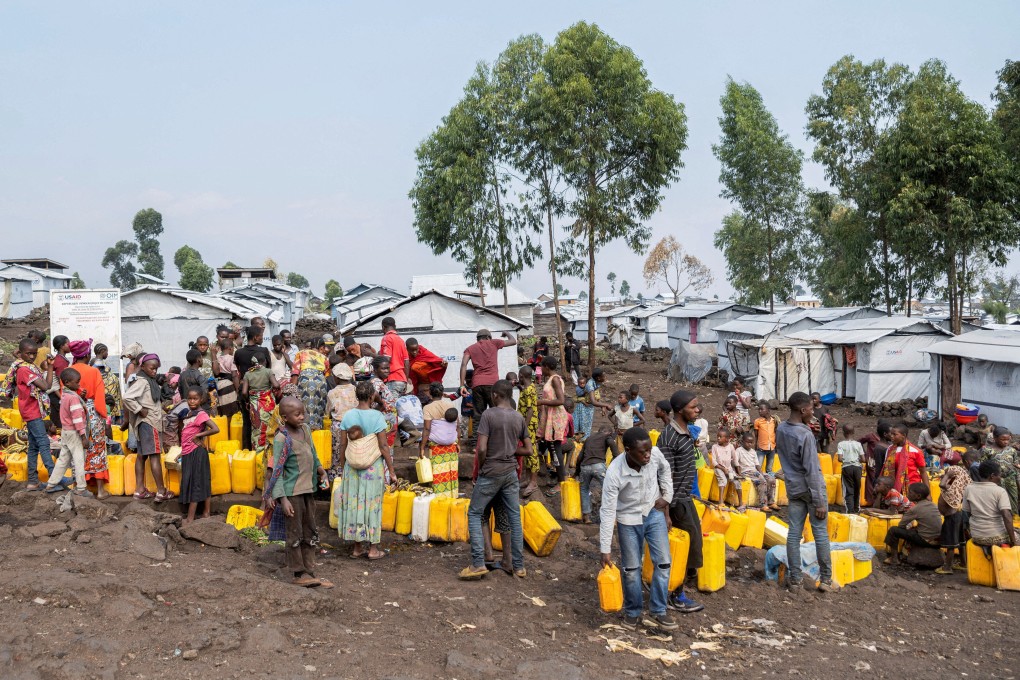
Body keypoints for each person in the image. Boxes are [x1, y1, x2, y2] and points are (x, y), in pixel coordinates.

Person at [599, 427, 677, 630]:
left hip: (653, 513)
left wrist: (667, 496)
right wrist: (605, 548)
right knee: (632, 569)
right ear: (627, 450)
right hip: (628, 519)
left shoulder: (654, 455)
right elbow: (608, 511)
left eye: (649, 450)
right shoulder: (615, 472)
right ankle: (632, 612)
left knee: (663, 563)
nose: (648, 455)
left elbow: (666, 469)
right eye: (643, 452)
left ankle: (659, 610)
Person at [460, 380, 529, 581]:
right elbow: (528, 449)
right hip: (510, 473)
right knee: (514, 518)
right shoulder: (518, 417)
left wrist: (482, 467)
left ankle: (478, 563)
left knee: (474, 513)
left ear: (496, 395)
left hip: (491, 470)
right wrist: (508, 451)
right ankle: (519, 566)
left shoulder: (488, 415)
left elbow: (481, 448)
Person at [263, 397, 334, 588]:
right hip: (292, 493)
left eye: (303, 413)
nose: (302, 417)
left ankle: (310, 571)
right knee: (295, 532)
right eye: (297, 414)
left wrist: (321, 471)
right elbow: (277, 470)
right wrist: (282, 499)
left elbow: (313, 454)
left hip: (308, 490)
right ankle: (298, 572)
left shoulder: (306, 430)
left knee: (310, 530)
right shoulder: (281, 439)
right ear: (285, 417)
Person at [777, 391, 837, 592]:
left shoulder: (782, 429)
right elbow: (812, 469)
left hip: (793, 488)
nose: (814, 411)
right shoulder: (805, 435)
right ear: (803, 410)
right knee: (820, 533)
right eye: (811, 408)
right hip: (811, 489)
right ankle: (827, 580)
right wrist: (819, 500)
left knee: (794, 534)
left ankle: (795, 580)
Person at [336, 382, 397, 561]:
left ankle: (356, 548)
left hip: (352, 467)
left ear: (357, 396)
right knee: (372, 504)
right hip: (373, 468)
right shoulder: (377, 416)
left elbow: (343, 445)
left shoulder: (348, 416)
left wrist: (342, 467)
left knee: (355, 504)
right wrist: (391, 471)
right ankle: (373, 549)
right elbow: (384, 446)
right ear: (371, 396)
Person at [656, 390, 704, 613]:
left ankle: (677, 588)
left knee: (693, 545)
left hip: (686, 498)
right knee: (681, 549)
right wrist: (665, 513)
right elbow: (663, 476)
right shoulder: (668, 437)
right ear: (679, 410)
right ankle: (674, 594)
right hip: (674, 503)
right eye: (693, 407)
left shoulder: (685, 433)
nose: (698, 410)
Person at [3, 339, 56, 491]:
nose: (32, 357)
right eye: (29, 354)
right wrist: (50, 368)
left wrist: (51, 366)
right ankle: (54, 478)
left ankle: (32, 481)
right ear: (21, 354)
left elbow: (48, 385)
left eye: (34, 354)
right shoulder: (25, 370)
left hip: (32, 410)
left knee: (33, 447)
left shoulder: (25, 365)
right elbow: (46, 386)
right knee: (44, 443)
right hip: (31, 411)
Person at [123, 353, 171, 502]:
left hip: (144, 424)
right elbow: (127, 397)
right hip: (150, 423)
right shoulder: (143, 381)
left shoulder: (148, 380)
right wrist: (139, 409)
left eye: (156, 369)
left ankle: (139, 490)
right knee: (155, 456)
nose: (155, 371)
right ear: (142, 367)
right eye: (152, 368)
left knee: (141, 456)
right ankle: (161, 491)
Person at [70, 340, 110, 498]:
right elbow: (100, 398)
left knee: (77, 451)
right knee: (97, 450)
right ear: (87, 355)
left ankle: (78, 487)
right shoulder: (94, 372)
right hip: (92, 413)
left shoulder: (68, 371)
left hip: (74, 414)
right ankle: (100, 491)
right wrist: (103, 415)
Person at [44, 367, 91, 496]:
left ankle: (51, 484)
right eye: (77, 382)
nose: (79, 384)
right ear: (68, 382)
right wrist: (83, 436)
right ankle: (81, 488)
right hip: (74, 433)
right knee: (79, 459)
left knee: (63, 459)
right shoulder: (73, 398)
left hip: (66, 431)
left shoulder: (65, 395)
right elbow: (77, 419)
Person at [460, 328, 517, 433]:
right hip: (493, 385)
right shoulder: (494, 343)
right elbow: (513, 341)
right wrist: (507, 333)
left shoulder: (470, 348)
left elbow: (463, 365)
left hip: (477, 384)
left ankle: (475, 445)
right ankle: (496, 439)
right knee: (496, 413)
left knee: (478, 415)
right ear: (488, 337)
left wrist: (462, 385)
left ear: (478, 339)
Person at [178, 386, 217, 525]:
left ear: (201, 399)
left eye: (195, 399)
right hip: (189, 451)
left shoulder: (201, 414)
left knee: (197, 482)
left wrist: (198, 435)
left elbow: (215, 429)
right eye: (189, 398)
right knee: (201, 480)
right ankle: (206, 512)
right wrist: (180, 452)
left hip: (197, 452)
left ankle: (190, 518)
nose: (192, 401)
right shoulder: (189, 413)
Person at [963, 460, 1017, 557]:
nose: (1000, 478)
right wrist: (1013, 541)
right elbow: (1006, 515)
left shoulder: (969, 488)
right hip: (997, 536)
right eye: (999, 475)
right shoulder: (1000, 491)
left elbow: (967, 512)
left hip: (976, 536)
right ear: (992, 476)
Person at [883, 483, 941, 565]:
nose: (907, 494)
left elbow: (901, 526)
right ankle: (906, 553)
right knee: (912, 530)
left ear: (918, 496)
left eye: (910, 492)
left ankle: (894, 558)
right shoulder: (933, 505)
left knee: (893, 530)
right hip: (938, 540)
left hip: (927, 540)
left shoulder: (914, 509)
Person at [536, 356, 568, 499]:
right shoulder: (551, 379)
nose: (540, 369)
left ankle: (562, 482)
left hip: (556, 416)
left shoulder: (555, 379)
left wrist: (541, 401)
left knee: (556, 448)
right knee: (552, 447)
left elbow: (561, 400)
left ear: (547, 367)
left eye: (541, 366)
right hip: (551, 415)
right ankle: (559, 477)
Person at [420, 382, 460, 497]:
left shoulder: (428, 408)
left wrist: (422, 448)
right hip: (452, 446)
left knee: (438, 474)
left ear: (430, 394)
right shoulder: (451, 406)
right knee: (451, 472)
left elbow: (427, 429)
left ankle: (439, 498)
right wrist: (458, 442)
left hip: (437, 448)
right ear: (442, 394)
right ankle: (452, 497)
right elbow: (457, 426)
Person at [235, 327, 273, 445]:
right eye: (261, 336)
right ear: (256, 337)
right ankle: (263, 447)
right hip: (263, 394)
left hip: (245, 392)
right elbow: (268, 369)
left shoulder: (239, 352)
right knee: (264, 421)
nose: (262, 339)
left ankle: (247, 450)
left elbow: (238, 370)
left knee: (247, 422)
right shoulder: (263, 351)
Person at [936, 450, 971, 575]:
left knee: (951, 542)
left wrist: (947, 475)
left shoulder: (951, 489)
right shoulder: (959, 485)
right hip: (958, 514)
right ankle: (963, 563)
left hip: (952, 516)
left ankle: (947, 567)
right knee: (961, 541)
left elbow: (941, 484)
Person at [576, 425, 619, 523]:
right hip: (599, 467)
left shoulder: (589, 438)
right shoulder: (606, 437)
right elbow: (613, 447)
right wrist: (615, 460)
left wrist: (576, 472)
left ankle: (586, 517)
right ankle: (611, 518)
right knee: (608, 489)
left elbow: (579, 457)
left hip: (584, 467)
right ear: (608, 432)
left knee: (584, 489)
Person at [242, 355, 279, 456]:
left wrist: (247, 401)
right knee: (271, 427)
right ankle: (270, 454)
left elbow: (244, 392)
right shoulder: (268, 371)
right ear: (265, 362)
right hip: (268, 404)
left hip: (255, 406)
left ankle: (258, 455)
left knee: (257, 430)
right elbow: (276, 385)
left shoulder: (248, 374)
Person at [290, 335, 329, 431]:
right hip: (320, 383)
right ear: (322, 348)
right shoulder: (325, 358)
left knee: (304, 408)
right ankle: (317, 432)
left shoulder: (301, 353)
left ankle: (305, 431)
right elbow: (327, 376)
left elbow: (295, 373)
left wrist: (291, 392)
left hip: (305, 381)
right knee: (318, 409)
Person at [326, 364, 358, 481]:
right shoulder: (356, 390)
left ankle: (336, 480)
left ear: (337, 378)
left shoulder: (332, 393)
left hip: (338, 426)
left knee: (337, 455)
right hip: (355, 426)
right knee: (353, 452)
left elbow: (328, 411)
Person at [881, 422, 930, 495]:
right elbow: (885, 468)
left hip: (911, 487)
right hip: (894, 488)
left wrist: (928, 493)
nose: (891, 436)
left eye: (894, 434)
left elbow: (923, 472)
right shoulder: (890, 450)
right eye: (891, 434)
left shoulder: (915, 451)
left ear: (903, 435)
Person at [516, 366, 542, 497]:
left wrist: (524, 427)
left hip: (529, 426)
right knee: (527, 453)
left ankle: (533, 482)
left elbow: (531, 410)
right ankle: (527, 480)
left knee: (531, 453)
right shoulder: (527, 388)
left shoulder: (529, 390)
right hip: (527, 425)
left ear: (521, 376)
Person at [735, 431, 777, 511]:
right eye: (747, 442)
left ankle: (771, 502)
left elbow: (757, 465)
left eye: (751, 443)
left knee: (771, 479)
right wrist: (739, 473)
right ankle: (763, 504)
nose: (750, 444)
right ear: (742, 442)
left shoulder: (753, 452)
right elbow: (736, 463)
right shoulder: (739, 450)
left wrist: (762, 473)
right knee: (762, 481)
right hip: (746, 472)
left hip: (754, 471)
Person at [981, 427, 1018, 516]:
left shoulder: (1012, 450)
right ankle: (999, 518)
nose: (1006, 442)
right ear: (995, 438)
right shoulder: (988, 450)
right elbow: (983, 466)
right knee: (997, 500)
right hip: (995, 481)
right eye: (1002, 439)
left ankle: (1013, 518)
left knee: (1013, 498)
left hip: (1010, 479)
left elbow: (1015, 462)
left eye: (1008, 439)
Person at [368, 355, 399, 450]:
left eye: (388, 368)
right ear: (376, 370)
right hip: (383, 424)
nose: (387, 371)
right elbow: (372, 403)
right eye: (383, 368)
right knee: (385, 450)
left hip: (387, 423)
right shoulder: (377, 383)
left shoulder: (379, 382)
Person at [860, 419, 893, 507]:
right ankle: (872, 502)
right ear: (885, 434)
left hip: (883, 472)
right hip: (876, 469)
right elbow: (879, 466)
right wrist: (864, 455)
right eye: (891, 433)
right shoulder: (878, 446)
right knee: (874, 486)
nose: (892, 435)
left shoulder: (889, 444)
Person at [575, 367, 612, 439]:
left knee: (586, 427)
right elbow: (593, 401)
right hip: (584, 408)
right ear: (598, 378)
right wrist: (606, 405)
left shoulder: (596, 383)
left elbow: (596, 397)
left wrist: (602, 406)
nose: (605, 377)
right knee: (584, 428)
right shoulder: (590, 385)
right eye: (603, 376)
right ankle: (581, 445)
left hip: (588, 407)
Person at [377, 317, 410, 397]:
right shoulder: (400, 340)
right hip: (402, 380)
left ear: (383, 327)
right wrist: (405, 380)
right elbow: (407, 363)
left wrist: (373, 355)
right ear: (394, 326)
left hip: (392, 380)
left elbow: (386, 359)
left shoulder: (387, 338)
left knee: (391, 407)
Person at [837, 424, 865, 514]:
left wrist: (846, 459)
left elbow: (839, 458)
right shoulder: (858, 444)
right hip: (857, 468)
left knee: (849, 489)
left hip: (847, 468)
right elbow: (863, 459)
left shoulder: (841, 444)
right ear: (853, 432)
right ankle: (857, 509)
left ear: (844, 433)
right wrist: (856, 460)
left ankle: (850, 511)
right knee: (857, 488)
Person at [712, 426, 739, 507]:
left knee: (737, 482)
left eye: (720, 437)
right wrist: (723, 469)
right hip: (719, 468)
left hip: (729, 468)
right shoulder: (714, 447)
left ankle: (739, 502)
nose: (718, 438)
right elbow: (714, 462)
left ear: (727, 439)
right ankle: (721, 501)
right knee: (723, 480)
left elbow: (735, 460)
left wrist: (738, 472)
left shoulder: (731, 446)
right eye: (717, 437)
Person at [47, 335, 71, 425]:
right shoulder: (60, 362)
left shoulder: (60, 359)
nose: (70, 345)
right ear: (61, 346)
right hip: (57, 395)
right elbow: (61, 380)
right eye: (68, 343)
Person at [214, 338, 240, 418]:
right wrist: (238, 389)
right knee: (231, 409)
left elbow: (216, 372)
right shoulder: (232, 359)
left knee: (222, 407)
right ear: (231, 348)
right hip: (229, 385)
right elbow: (234, 375)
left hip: (219, 384)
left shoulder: (218, 359)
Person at [752, 402, 780, 474]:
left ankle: (769, 483)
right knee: (758, 468)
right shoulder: (757, 421)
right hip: (761, 448)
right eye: (759, 409)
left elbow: (776, 432)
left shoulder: (774, 420)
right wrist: (755, 446)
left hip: (772, 448)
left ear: (768, 410)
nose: (759, 411)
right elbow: (756, 435)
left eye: (762, 409)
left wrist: (777, 445)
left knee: (769, 469)